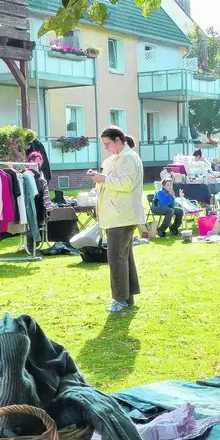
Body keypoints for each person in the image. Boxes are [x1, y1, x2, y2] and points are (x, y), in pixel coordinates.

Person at [88, 127, 144, 313]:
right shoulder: (115, 159)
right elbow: (111, 180)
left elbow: (126, 184)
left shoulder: (128, 158)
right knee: (124, 256)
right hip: (117, 214)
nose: (106, 147)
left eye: (108, 143)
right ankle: (128, 296)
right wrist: (98, 177)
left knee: (115, 257)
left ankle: (120, 299)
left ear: (119, 140)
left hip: (122, 215)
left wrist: (102, 178)